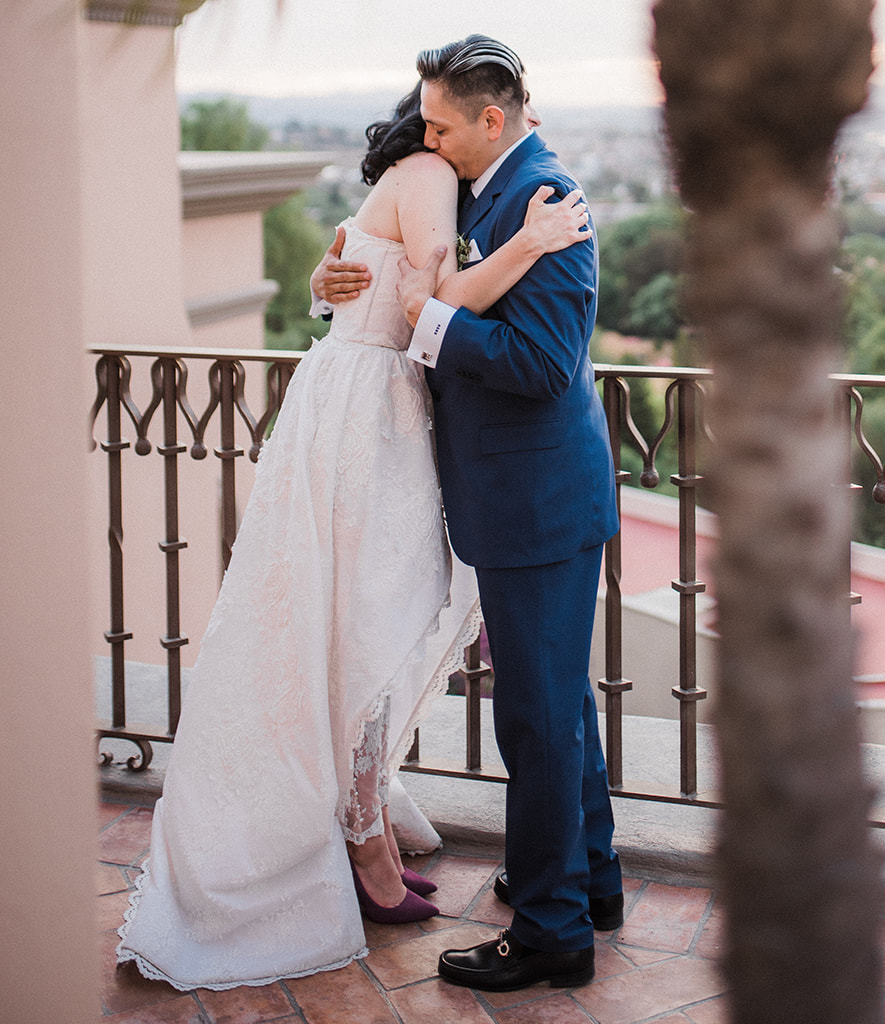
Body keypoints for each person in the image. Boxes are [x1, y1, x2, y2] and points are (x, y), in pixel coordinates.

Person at [115, 85, 587, 993]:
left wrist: (334, 285)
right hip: (368, 421)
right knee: (360, 624)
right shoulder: (427, 174)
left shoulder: (429, 178)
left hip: (374, 415)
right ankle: (360, 845)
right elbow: (431, 301)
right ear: (432, 125)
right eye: (440, 122)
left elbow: (361, 272)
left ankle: (358, 813)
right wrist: (529, 244)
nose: (446, 135)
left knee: (369, 622)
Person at [399, 34, 625, 991]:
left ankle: (550, 932)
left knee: (533, 721)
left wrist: (432, 324)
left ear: (493, 120)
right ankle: (590, 881)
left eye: (442, 125)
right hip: (525, 500)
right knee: (557, 705)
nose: (428, 137)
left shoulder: (545, 203)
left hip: (539, 505)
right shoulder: (488, 188)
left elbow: (539, 367)